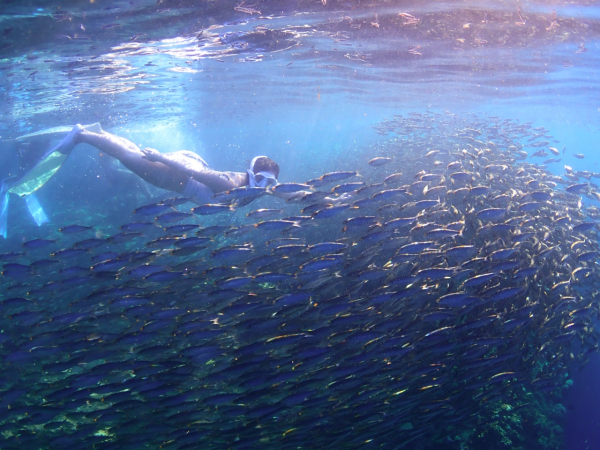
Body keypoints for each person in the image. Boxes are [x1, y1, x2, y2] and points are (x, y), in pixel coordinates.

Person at [67, 124, 280, 205]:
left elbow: (283, 192)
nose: (263, 185)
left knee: (132, 155)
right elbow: (192, 171)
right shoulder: (229, 185)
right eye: (261, 179)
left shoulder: (257, 190)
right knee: (126, 156)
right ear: (252, 173)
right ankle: (82, 135)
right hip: (181, 176)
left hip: (190, 171)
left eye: (269, 182)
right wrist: (159, 157)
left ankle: (101, 134)